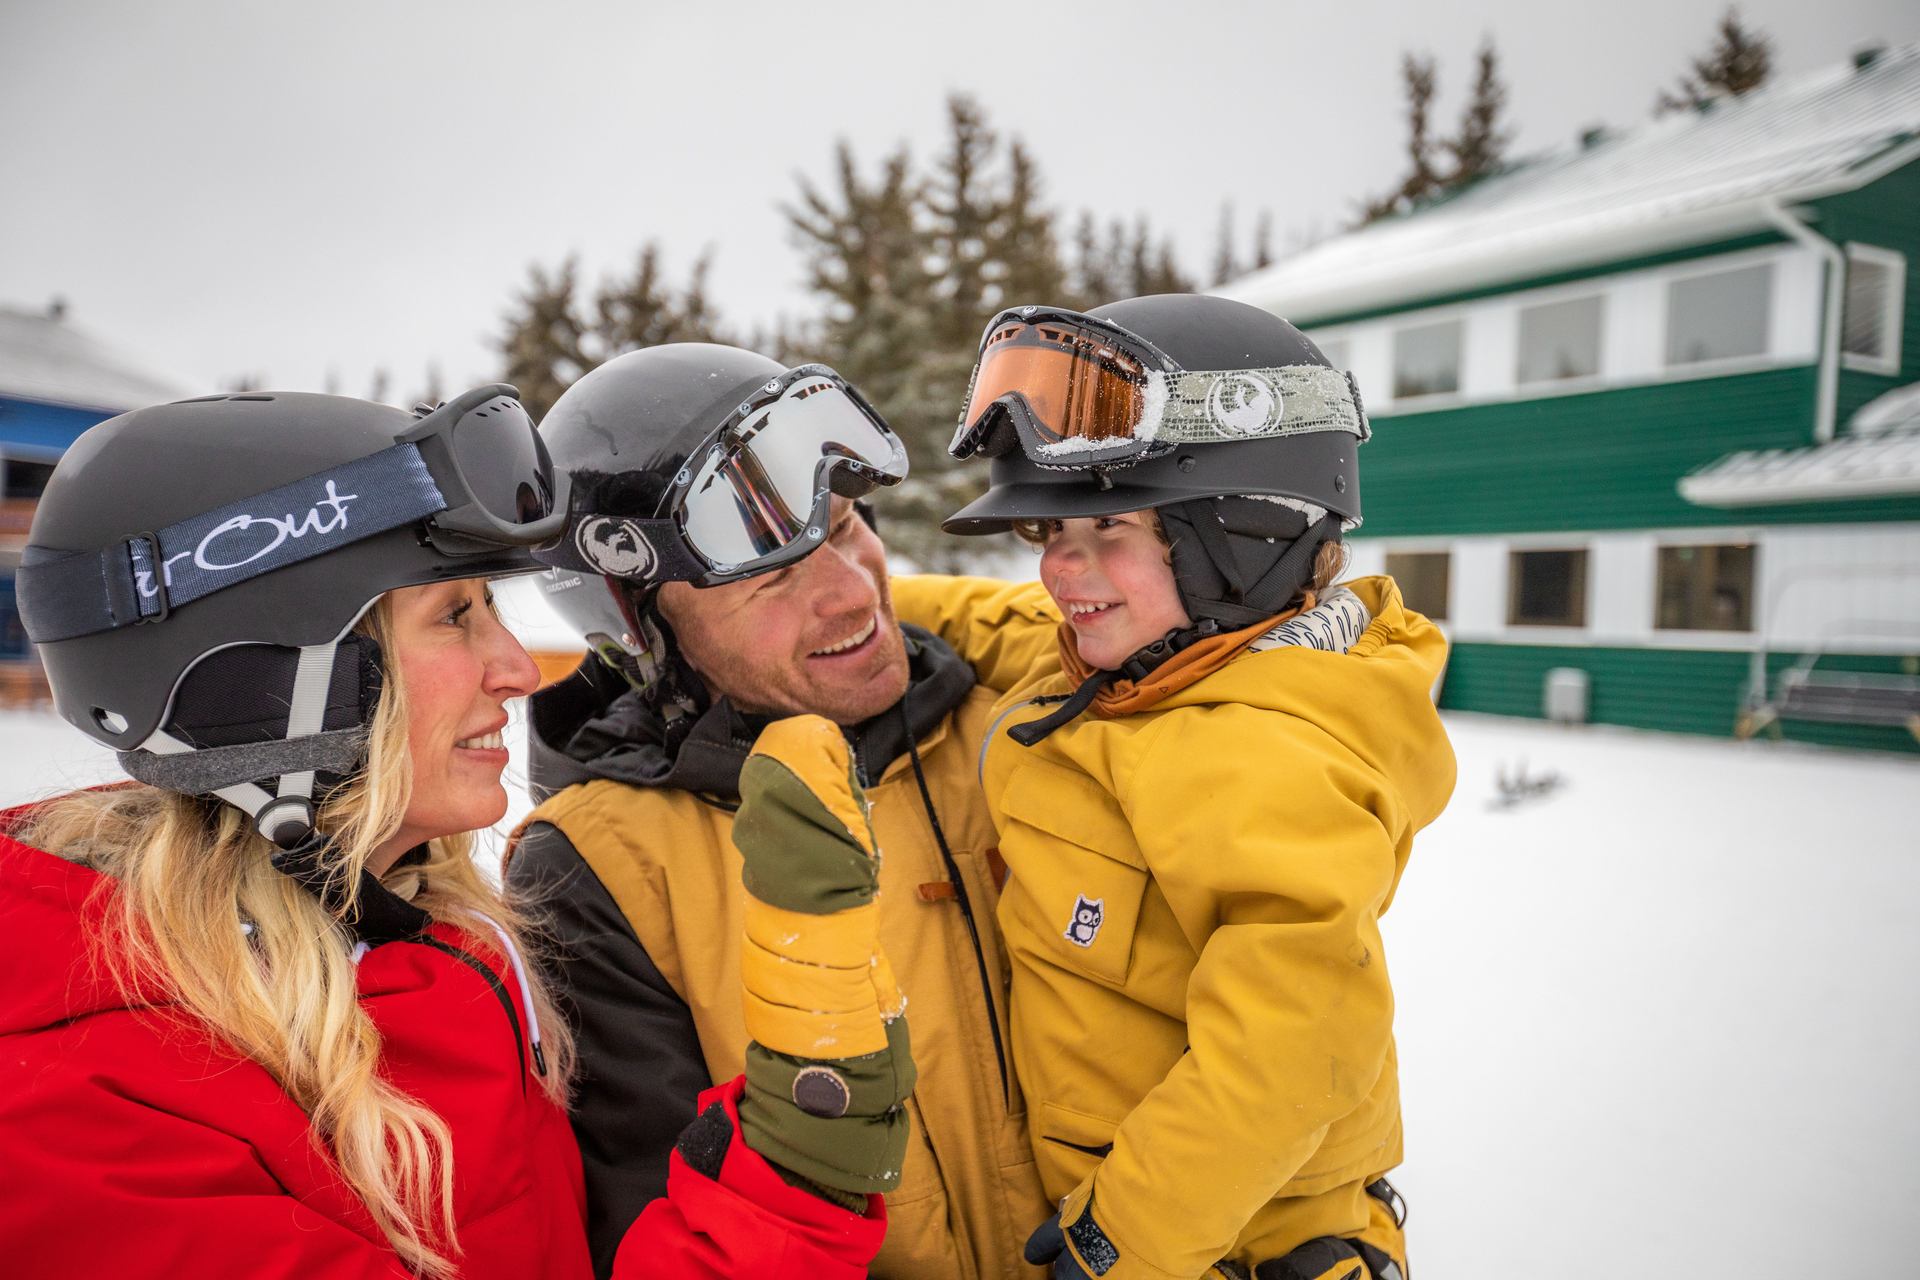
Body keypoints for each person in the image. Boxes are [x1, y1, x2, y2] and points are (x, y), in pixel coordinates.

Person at [0, 386, 905, 1278]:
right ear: (281, 682)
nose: (517, 669)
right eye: (456, 616)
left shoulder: (438, 945)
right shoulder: (88, 1103)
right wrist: (793, 1178)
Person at [887, 294, 1457, 1280]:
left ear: (1241, 537)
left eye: (1108, 527)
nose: (1065, 570)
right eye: (1050, 535)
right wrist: (843, 597)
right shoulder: (1129, 657)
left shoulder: (1269, 755)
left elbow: (1292, 1051)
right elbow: (989, 617)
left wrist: (1121, 1242)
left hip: (1233, 1245)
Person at [508, 344, 1051, 1278]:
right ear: (650, 638)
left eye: (844, 530)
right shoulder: (601, 871)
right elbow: (670, 1233)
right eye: (769, 582)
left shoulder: (1024, 728)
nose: (852, 592)